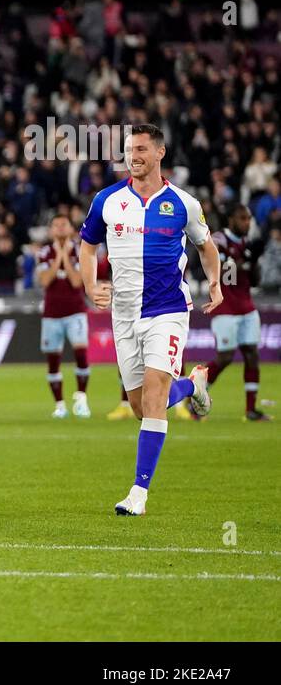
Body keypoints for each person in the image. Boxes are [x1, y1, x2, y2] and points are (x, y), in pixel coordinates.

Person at [79, 124, 222, 516]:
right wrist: (91, 286)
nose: (133, 156)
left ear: (160, 153)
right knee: (143, 407)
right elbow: (87, 247)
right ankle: (192, 385)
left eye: (141, 149)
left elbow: (206, 247)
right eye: (129, 149)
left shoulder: (183, 203)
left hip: (168, 311)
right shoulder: (106, 200)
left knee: (156, 395)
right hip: (123, 314)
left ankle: (138, 494)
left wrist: (215, 283)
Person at [205, 204, 270, 421]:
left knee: (252, 355)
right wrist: (245, 259)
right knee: (224, 358)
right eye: (242, 218)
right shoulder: (218, 240)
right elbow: (225, 274)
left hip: (247, 307)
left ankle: (251, 410)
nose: (247, 223)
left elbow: (255, 280)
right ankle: (194, 397)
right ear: (231, 219)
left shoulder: (245, 244)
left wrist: (253, 262)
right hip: (224, 307)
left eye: (249, 219)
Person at [36, 213, 91, 418]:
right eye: (56, 225)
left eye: (63, 224)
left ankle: (81, 400)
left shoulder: (80, 250)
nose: (59, 228)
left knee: (81, 355)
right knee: (53, 359)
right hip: (51, 313)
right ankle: (59, 405)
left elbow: (77, 281)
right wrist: (58, 256)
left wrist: (65, 257)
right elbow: (45, 281)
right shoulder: (44, 252)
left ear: (71, 229)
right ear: (51, 230)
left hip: (75, 311)